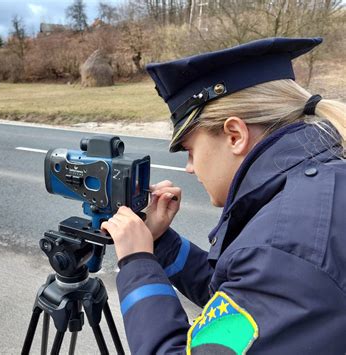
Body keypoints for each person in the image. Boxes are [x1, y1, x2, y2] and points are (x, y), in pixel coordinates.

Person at [101, 37, 346, 354]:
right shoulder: (318, 184)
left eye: (190, 150)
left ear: (235, 135)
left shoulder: (283, 248)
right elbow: (239, 298)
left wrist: (136, 264)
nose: (190, 168)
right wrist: (159, 241)